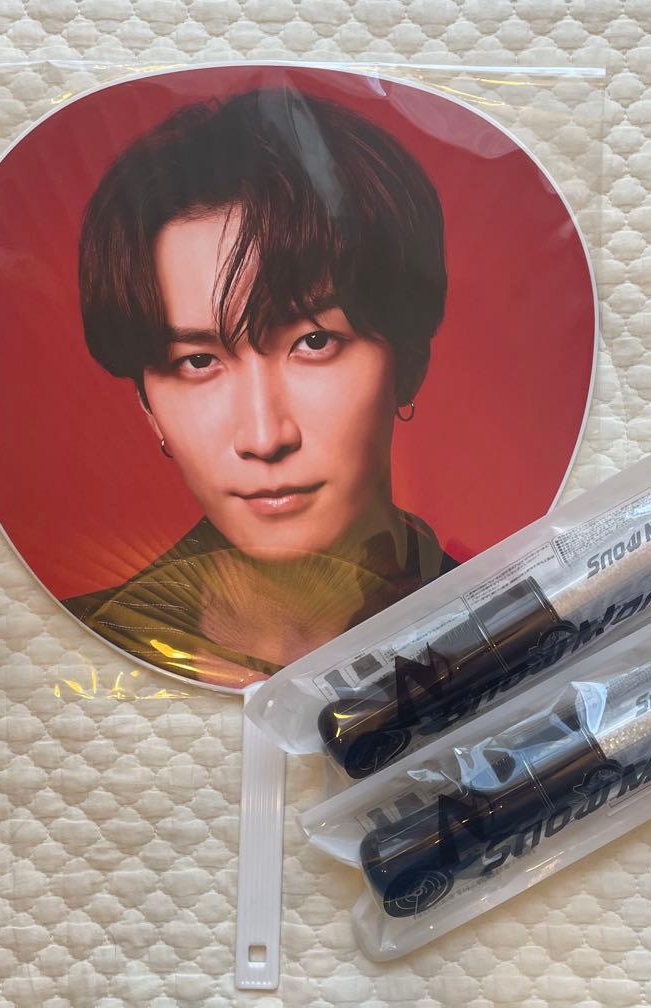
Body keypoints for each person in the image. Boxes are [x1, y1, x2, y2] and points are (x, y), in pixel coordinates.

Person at [64, 85, 457, 689]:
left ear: (408, 362)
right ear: (147, 406)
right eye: (198, 360)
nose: (265, 436)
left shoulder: (516, 627)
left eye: (314, 342)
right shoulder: (65, 654)